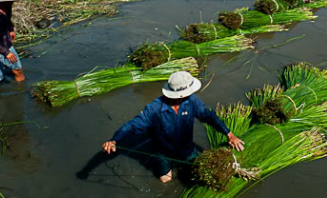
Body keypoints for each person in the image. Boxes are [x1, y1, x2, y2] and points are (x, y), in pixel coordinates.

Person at [102, 71, 245, 184]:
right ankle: (163, 166)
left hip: (187, 149)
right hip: (163, 151)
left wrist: (229, 134)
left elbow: (209, 116)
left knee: (204, 170)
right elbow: (132, 126)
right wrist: (114, 140)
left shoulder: (192, 101)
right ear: (180, 93)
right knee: (165, 180)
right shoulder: (154, 109)